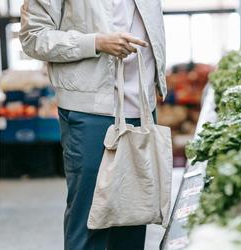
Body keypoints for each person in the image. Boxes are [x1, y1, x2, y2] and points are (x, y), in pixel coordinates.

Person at [20, 0, 166, 249]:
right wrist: (95, 42)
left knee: (133, 219)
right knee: (89, 221)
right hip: (90, 109)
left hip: (141, 106)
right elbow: (32, 36)